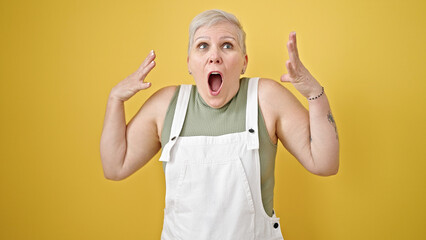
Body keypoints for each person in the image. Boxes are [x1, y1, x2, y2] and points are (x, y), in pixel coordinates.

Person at [100, 9, 339, 240]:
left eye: (227, 45)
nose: (214, 55)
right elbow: (115, 167)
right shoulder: (166, 105)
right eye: (202, 46)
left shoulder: (266, 98)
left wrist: (314, 94)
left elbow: (325, 163)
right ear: (189, 63)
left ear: (244, 62)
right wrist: (115, 99)